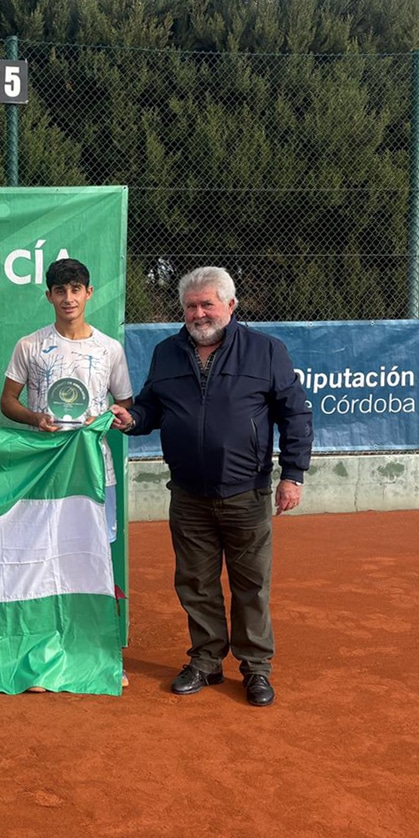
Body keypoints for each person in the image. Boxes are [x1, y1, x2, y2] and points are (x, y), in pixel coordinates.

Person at [110, 266, 312, 707]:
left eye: (207, 304)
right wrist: (133, 419)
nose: (199, 314)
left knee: (251, 585)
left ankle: (256, 668)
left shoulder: (265, 351)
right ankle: (205, 661)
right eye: (190, 306)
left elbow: (294, 415)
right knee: (196, 583)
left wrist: (293, 474)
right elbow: (151, 407)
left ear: (230, 306)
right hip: (187, 493)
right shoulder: (167, 353)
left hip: (248, 492)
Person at [1, 257, 134, 689]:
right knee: (40, 560)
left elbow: (126, 404)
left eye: (76, 289)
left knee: (95, 561)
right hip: (44, 472)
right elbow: (7, 402)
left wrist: (117, 415)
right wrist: (34, 417)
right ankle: (40, 656)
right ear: (49, 297)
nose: (68, 298)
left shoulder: (110, 349)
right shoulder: (29, 346)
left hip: (96, 473)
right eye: (60, 291)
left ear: (89, 293)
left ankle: (100, 651)